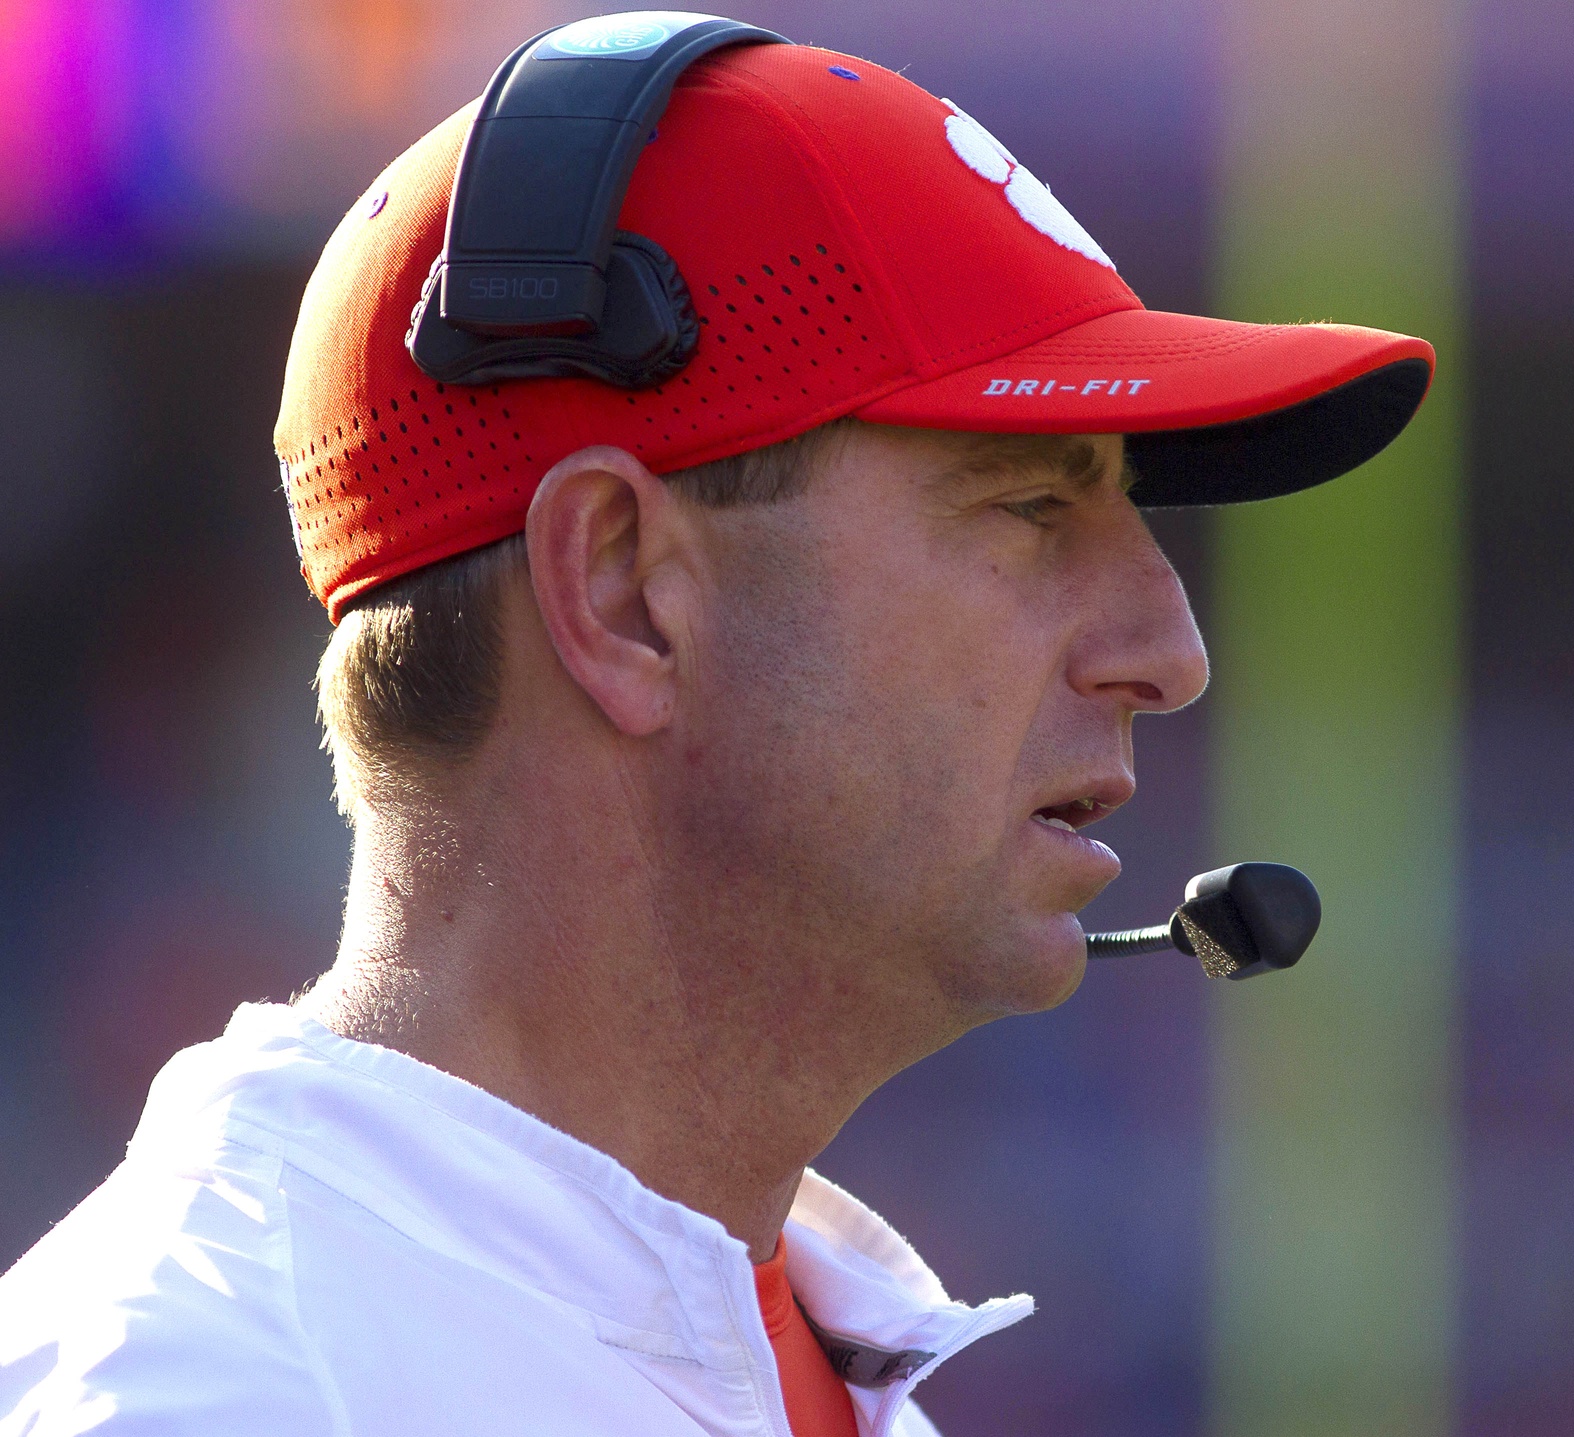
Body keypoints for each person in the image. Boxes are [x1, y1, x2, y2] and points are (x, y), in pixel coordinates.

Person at [0, 14, 1433, 1436]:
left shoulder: (724, 1343)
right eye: (1029, 507)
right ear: (622, 589)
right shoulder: (217, 1393)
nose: (1170, 653)